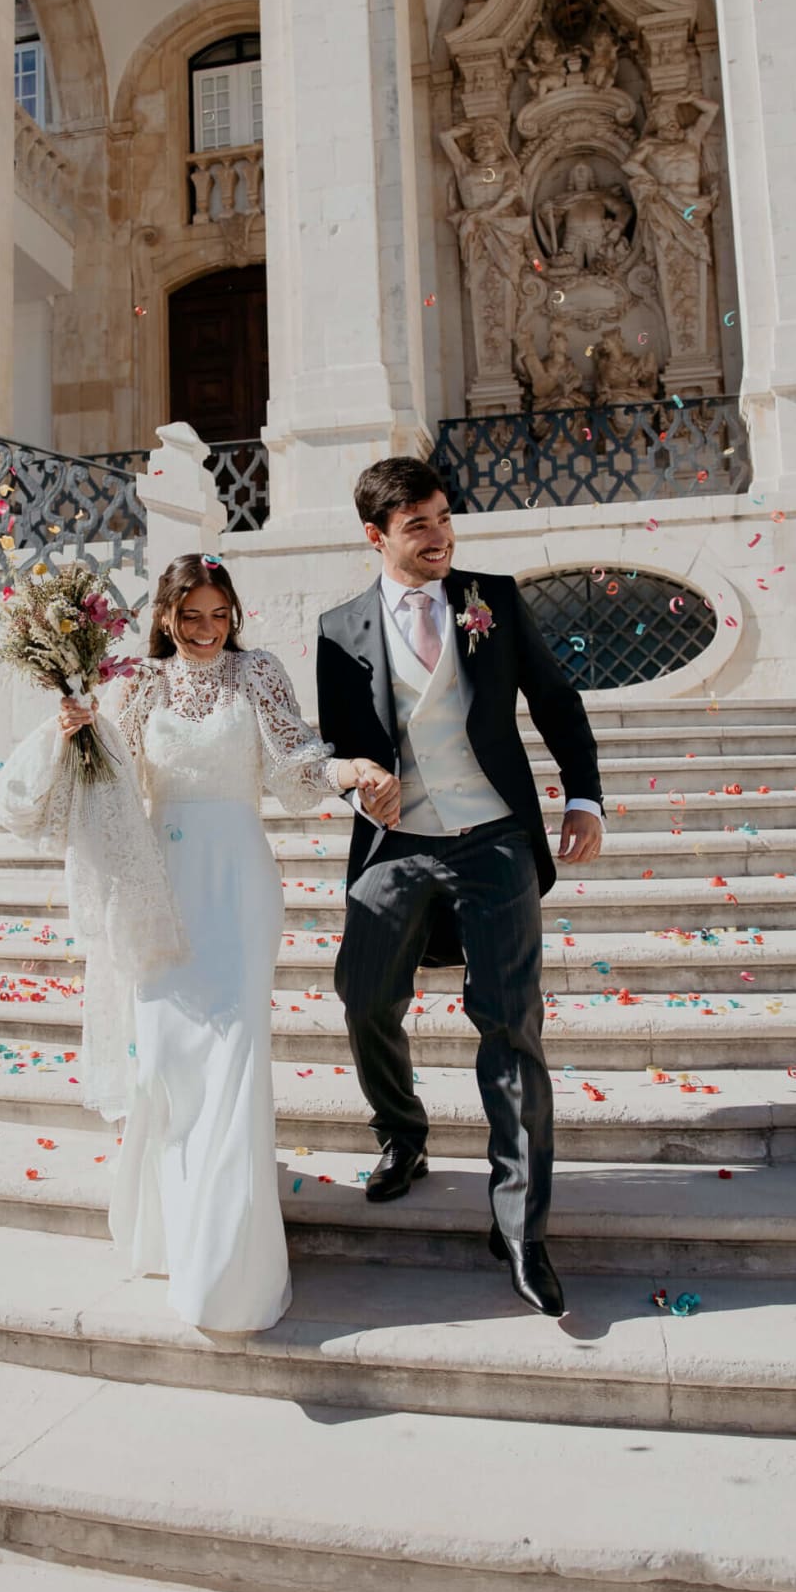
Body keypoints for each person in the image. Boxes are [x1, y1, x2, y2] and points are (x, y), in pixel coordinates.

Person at [58, 554, 397, 1334]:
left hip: (239, 886)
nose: (207, 630)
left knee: (233, 1062)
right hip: (163, 884)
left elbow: (295, 764)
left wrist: (352, 770)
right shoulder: (140, 684)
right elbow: (110, 781)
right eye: (192, 616)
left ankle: (230, 1277)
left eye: (219, 615)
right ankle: (177, 1238)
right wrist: (79, 734)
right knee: (170, 1060)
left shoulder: (258, 673)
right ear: (166, 617)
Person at [316, 457, 604, 1318]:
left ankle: (520, 1228)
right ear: (377, 536)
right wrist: (360, 784)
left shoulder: (494, 600)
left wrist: (583, 796)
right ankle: (402, 1136)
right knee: (365, 996)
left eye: (444, 518)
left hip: (494, 837)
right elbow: (339, 746)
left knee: (510, 1026)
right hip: (398, 843)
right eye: (419, 526)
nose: (439, 536)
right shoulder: (338, 628)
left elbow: (555, 700)